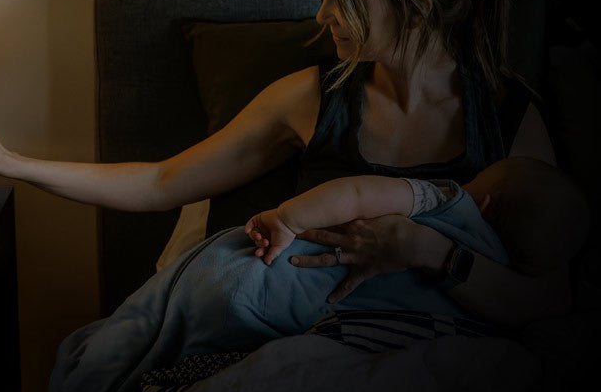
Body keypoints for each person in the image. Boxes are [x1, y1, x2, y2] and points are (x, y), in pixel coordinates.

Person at [0, 0, 570, 325]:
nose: (321, 17)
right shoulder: (314, 99)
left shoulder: (510, 119)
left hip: (452, 359)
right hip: (314, 342)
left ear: (418, 7)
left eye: (341, 0)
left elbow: (555, 309)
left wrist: (435, 253)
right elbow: (161, 183)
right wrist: (4, 159)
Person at [245, 155, 590, 285]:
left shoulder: (445, 198)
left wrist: (287, 219)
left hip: (298, 276)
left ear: (485, 204)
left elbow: (356, 194)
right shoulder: (496, 272)